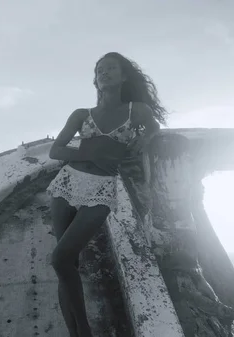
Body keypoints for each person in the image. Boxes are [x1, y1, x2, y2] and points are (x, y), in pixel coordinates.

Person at [46, 52, 167, 337]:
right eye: (100, 70)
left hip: (101, 187)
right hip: (67, 183)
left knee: (61, 257)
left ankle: (84, 330)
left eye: (111, 68)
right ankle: (76, 332)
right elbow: (56, 150)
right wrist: (88, 154)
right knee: (67, 263)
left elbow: (154, 128)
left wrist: (145, 138)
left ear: (124, 76)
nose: (104, 72)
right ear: (96, 81)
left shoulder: (136, 110)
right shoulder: (81, 115)